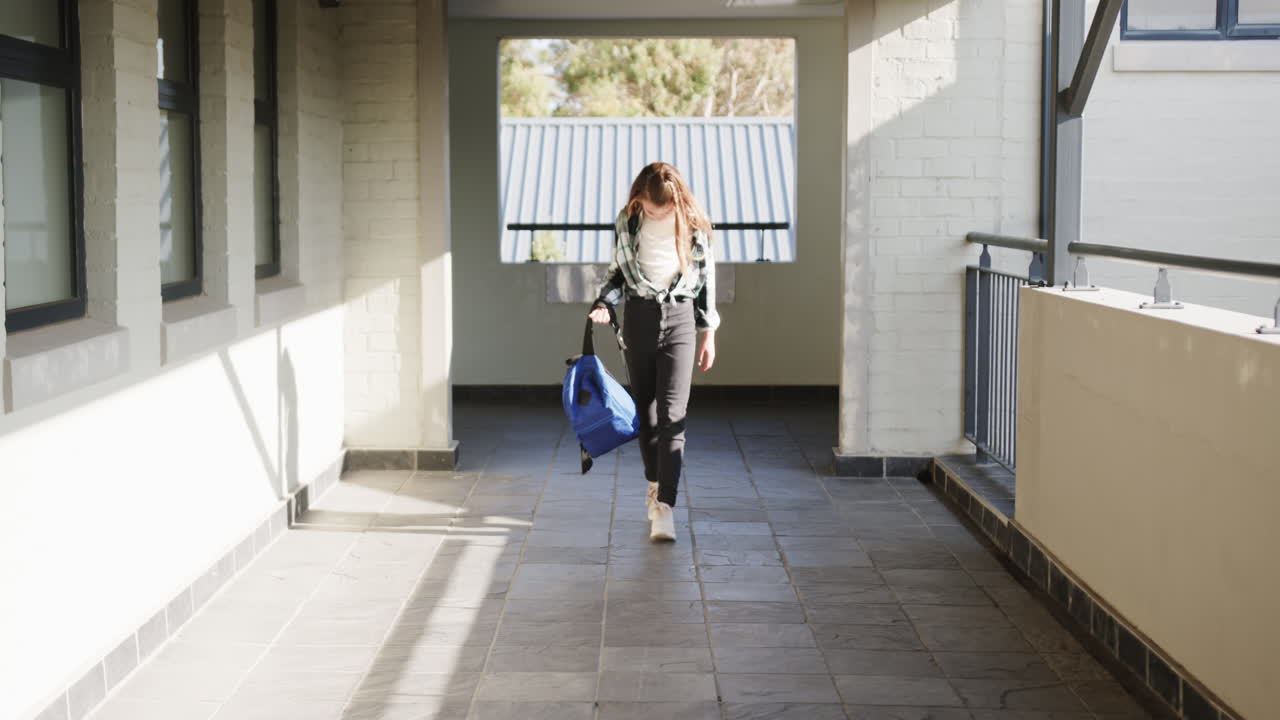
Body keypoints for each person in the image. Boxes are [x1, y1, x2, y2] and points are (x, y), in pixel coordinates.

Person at [589, 162, 720, 542]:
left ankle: (666, 506)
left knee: (673, 415)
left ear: (677, 201)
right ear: (639, 200)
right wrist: (604, 303)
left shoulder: (694, 224)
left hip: (680, 318)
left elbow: (706, 279)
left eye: (662, 210)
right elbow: (618, 273)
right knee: (645, 413)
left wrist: (708, 332)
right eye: (650, 208)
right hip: (639, 317)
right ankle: (652, 487)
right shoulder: (628, 220)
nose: (656, 214)